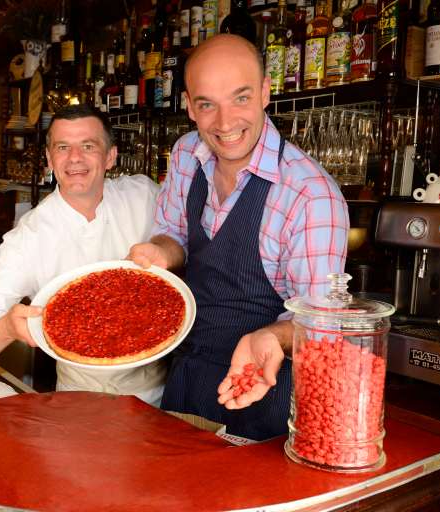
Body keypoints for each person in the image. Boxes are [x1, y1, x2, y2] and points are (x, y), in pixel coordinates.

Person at [128, 34, 349, 440]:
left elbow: (323, 324)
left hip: (262, 394)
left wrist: (271, 336)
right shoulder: (185, 155)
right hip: (186, 379)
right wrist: (160, 252)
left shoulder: (309, 194)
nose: (225, 123)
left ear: (266, 92)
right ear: (190, 107)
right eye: (207, 104)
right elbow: (175, 234)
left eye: (241, 98)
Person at [0, 104, 166, 405]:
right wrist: (6, 327)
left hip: (157, 397)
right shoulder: (29, 236)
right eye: (63, 147)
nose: (75, 158)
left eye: (88, 146)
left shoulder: (145, 196)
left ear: (110, 156)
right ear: (49, 159)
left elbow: (186, 240)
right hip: (78, 401)